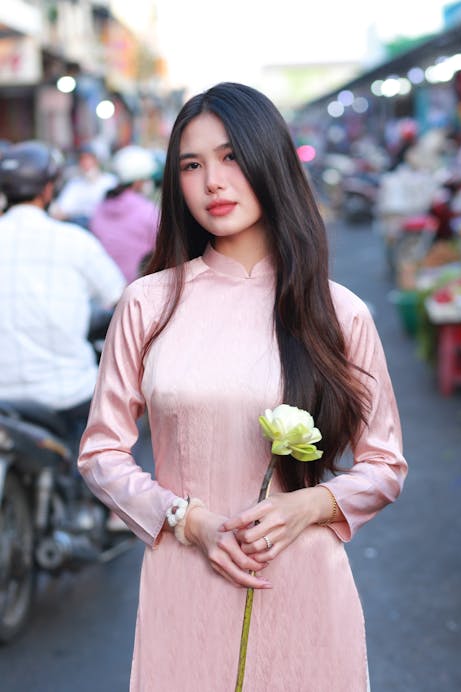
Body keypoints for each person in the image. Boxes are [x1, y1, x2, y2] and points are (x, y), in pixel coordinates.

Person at [78, 83, 407, 691]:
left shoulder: (338, 313)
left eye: (230, 157)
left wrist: (310, 504)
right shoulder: (148, 304)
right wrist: (184, 517)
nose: (213, 183)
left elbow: (385, 464)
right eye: (192, 165)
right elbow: (100, 452)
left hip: (305, 583)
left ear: (269, 161)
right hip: (186, 580)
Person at [0, 140, 126, 446]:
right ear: (48, 190)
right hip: (68, 393)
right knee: (112, 463)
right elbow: (123, 301)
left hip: (4, 398)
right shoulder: (75, 241)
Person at [90, 145, 159, 283]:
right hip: (138, 289)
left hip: (105, 288)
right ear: (138, 182)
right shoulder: (149, 211)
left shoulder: (99, 208)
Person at [51, 143, 117, 229]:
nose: (85, 163)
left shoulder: (110, 181)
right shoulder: (74, 184)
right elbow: (60, 211)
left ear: (96, 160)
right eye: (82, 159)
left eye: (89, 159)